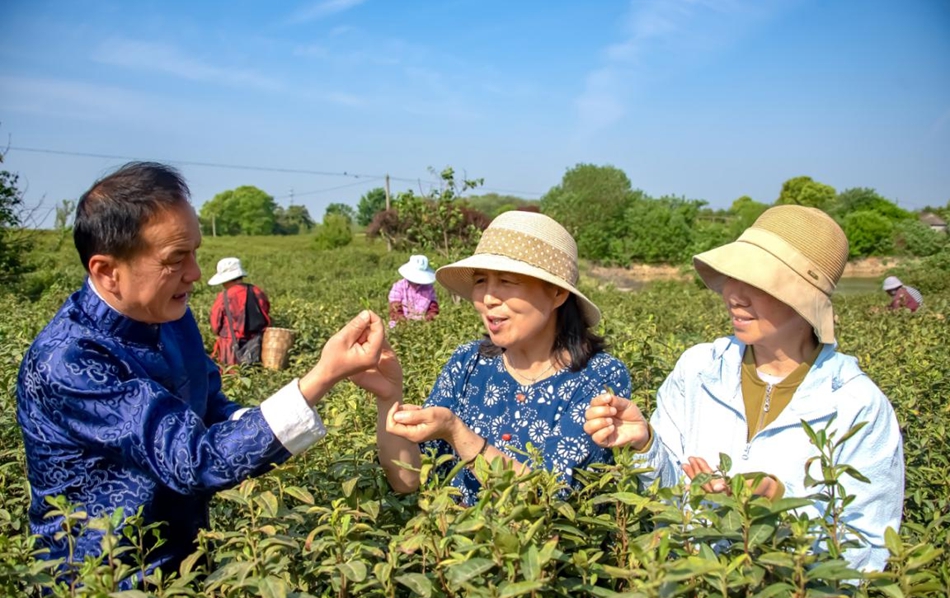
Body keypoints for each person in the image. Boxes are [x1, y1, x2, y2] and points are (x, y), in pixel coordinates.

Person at [15, 162, 386, 582]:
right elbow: (192, 459)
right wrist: (318, 379)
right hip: (105, 587)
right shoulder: (70, 360)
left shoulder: (172, 318)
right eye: (175, 258)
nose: (193, 273)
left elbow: (211, 407)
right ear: (106, 271)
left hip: (187, 564)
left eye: (195, 252)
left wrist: (274, 419)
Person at [584, 205, 904, 572]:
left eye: (758, 283)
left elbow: (866, 550)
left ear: (804, 300)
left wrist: (778, 507)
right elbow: (666, 495)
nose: (734, 294)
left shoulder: (856, 405)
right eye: (733, 277)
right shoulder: (699, 369)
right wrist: (645, 443)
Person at [353, 211, 632, 505]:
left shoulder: (599, 377)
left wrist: (458, 433)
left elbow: (548, 499)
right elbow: (409, 480)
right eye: (481, 281)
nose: (488, 298)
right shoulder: (468, 362)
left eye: (507, 281)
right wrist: (388, 398)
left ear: (558, 293)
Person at [209, 257, 271, 365]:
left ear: (226, 279)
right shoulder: (257, 291)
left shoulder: (224, 297)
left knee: (231, 378)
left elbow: (215, 326)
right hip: (258, 344)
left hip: (230, 348)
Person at [388, 254, 439, 327]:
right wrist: (407, 324)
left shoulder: (429, 288)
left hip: (423, 326)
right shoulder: (398, 287)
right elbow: (395, 310)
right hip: (400, 326)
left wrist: (426, 320)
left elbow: (433, 310)